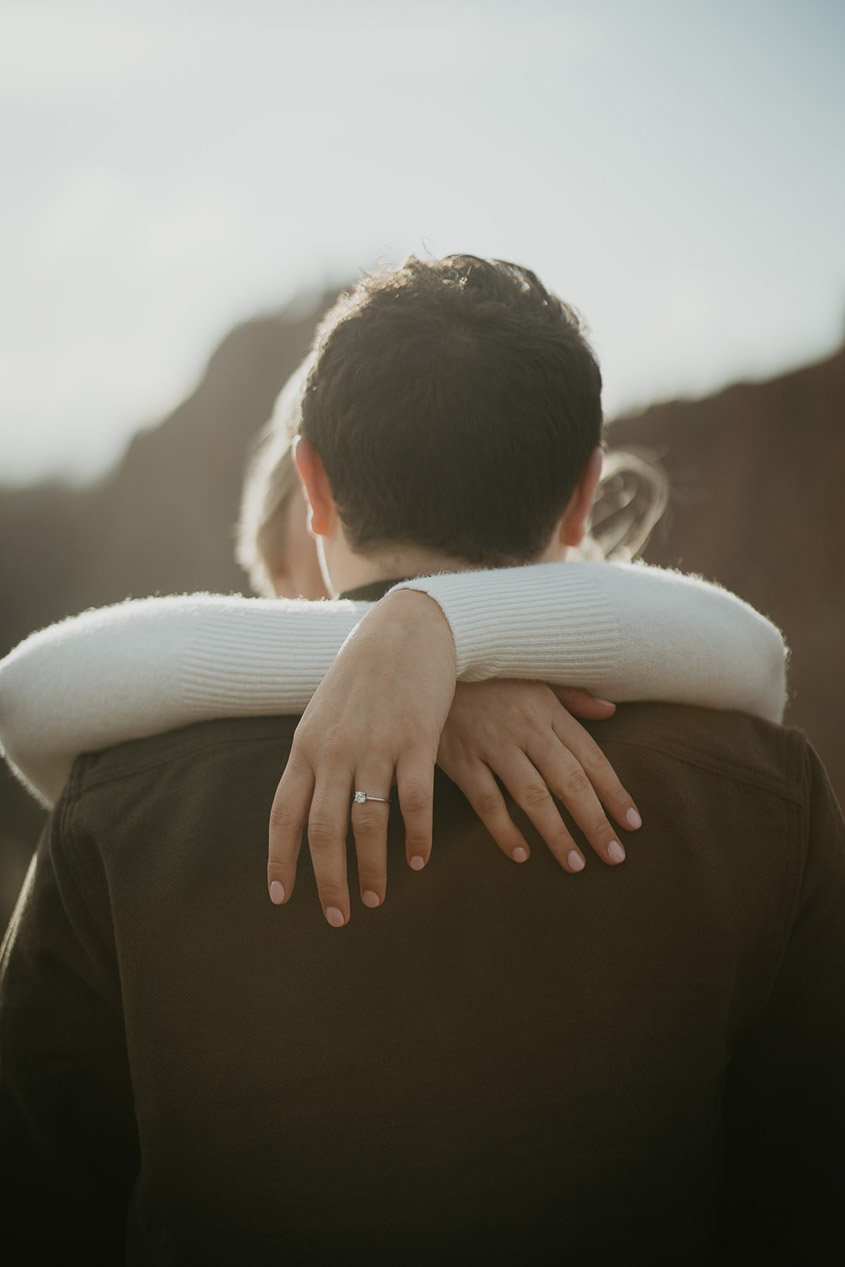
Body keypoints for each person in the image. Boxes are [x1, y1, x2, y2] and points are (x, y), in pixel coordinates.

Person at [1, 255, 841, 1264]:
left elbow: (38, 1205)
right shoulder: (760, 797)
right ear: (583, 495)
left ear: (308, 484)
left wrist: (434, 631)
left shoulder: (121, 803)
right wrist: (446, 632)